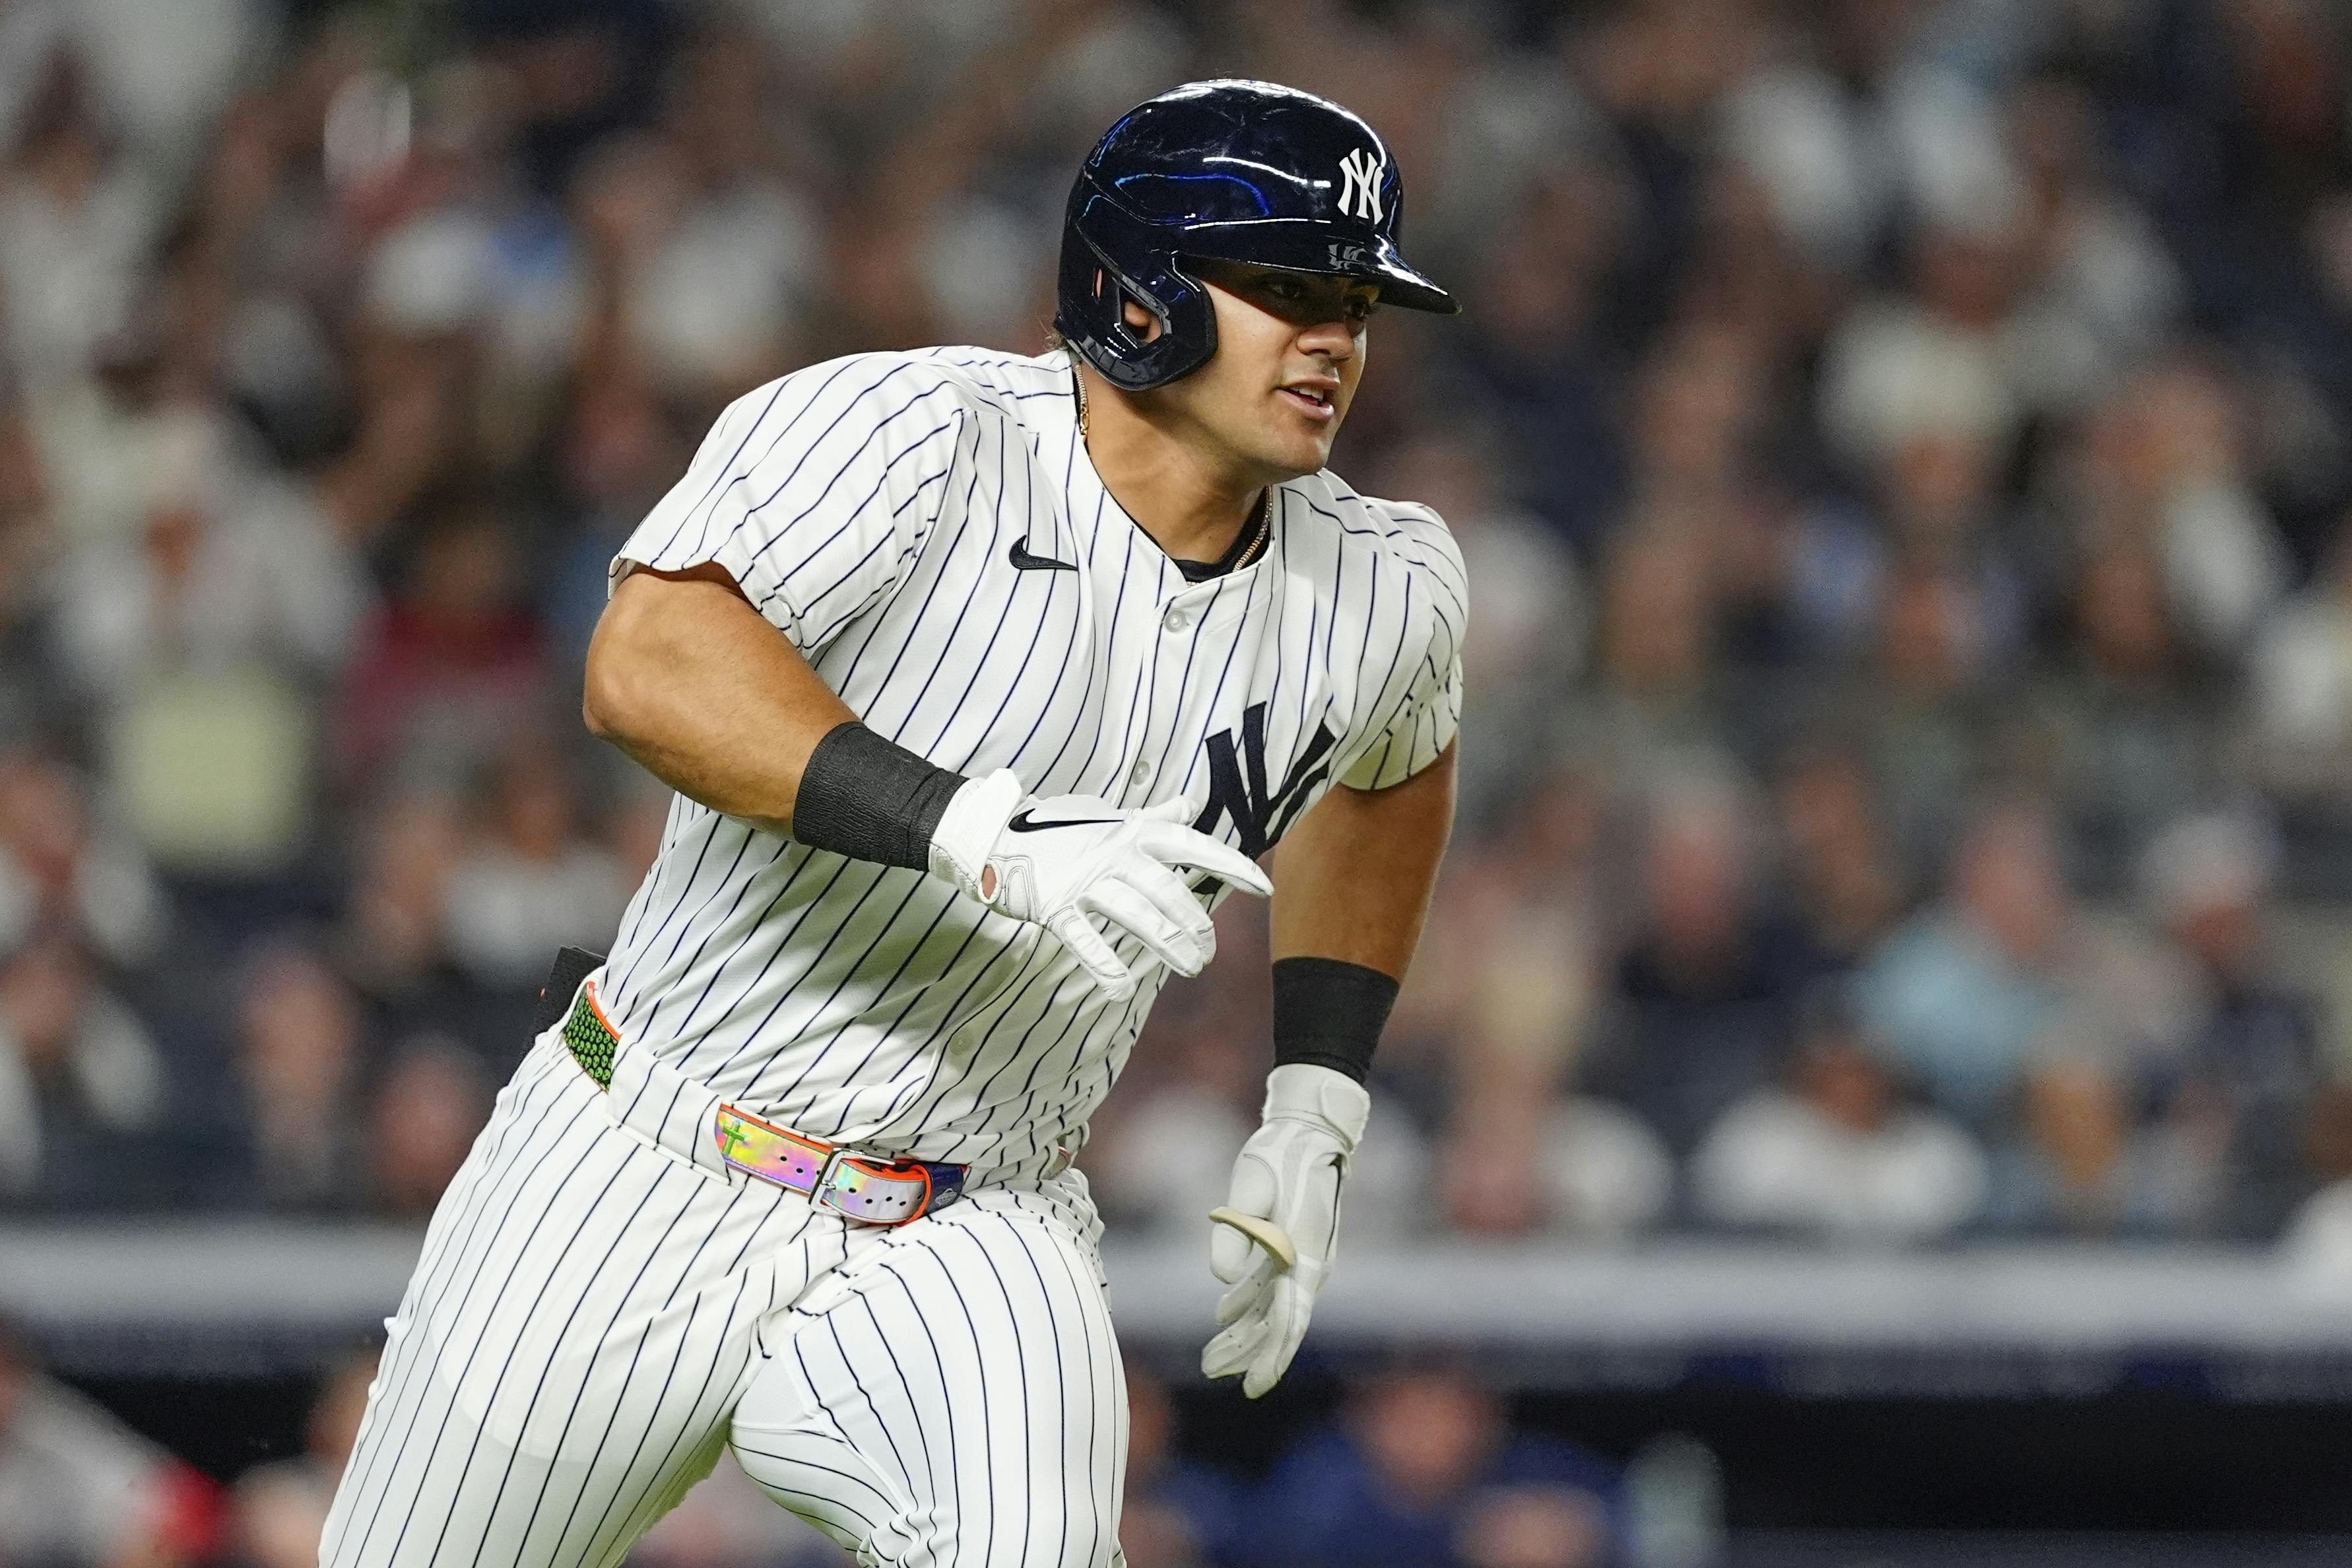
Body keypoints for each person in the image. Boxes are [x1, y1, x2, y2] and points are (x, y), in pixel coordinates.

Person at [321, 81, 1465, 1568]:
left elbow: (1393, 779)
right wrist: (974, 834)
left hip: (976, 1216)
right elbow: (647, 662)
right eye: (1289, 288)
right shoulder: (914, 434)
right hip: (642, 1159)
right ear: (1141, 290)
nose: (1335, 340)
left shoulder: (1389, 584)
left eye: (1357, 302)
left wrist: (1318, 1104)